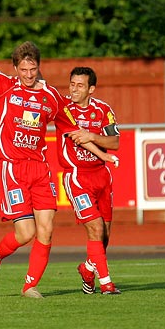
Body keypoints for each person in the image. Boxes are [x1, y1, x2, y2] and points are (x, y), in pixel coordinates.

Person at [0, 8, 118, 298]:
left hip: (40, 170)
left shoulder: (51, 97)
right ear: (16, 69)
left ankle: (30, 285)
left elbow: (73, 131)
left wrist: (102, 153)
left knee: (46, 231)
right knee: (26, 234)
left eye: (33, 70)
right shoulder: (5, 87)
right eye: (24, 70)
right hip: (13, 168)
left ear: (38, 67)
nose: (29, 75)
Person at [57, 67, 121, 295]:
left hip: (102, 176)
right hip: (77, 176)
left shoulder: (103, 109)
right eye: (72, 83)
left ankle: (87, 268)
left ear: (91, 89)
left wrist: (92, 135)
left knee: (104, 237)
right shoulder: (62, 108)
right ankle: (107, 284)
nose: (74, 89)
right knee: (94, 228)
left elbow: (114, 143)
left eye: (80, 85)